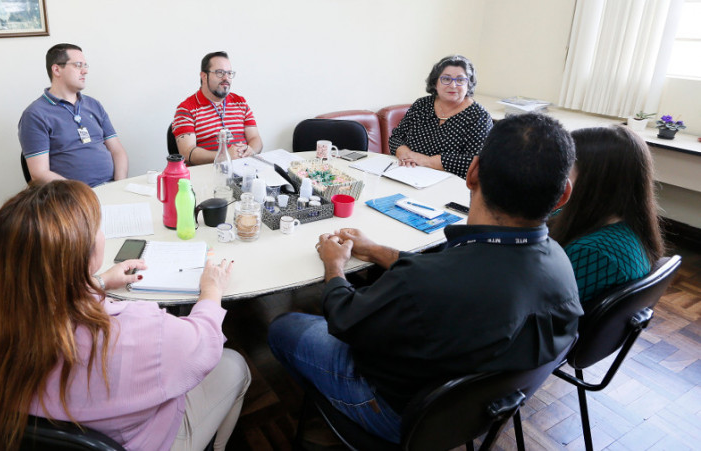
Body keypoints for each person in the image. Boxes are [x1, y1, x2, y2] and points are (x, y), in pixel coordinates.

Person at [268, 114, 583, 444]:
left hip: (398, 415)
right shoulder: (562, 266)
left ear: (472, 172)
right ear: (564, 194)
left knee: (283, 327)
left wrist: (334, 267)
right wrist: (375, 250)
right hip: (472, 414)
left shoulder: (425, 282)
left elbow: (343, 317)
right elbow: (443, 272)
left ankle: (339, 415)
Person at [0, 181, 251, 451]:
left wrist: (95, 283)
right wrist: (211, 291)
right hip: (135, 441)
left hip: (17, 441)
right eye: (97, 227)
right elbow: (204, 344)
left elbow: (45, 295)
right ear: (85, 253)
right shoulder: (136, 330)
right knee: (234, 365)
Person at [550, 125, 664, 303]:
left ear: (593, 179)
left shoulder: (592, 253)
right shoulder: (624, 223)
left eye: (564, 166)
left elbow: (540, 306)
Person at [19, 43, 129, 186]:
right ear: (57, 70)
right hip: (72, 196)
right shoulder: (35, 114)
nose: (85, 71)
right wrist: (82, 194)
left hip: (111, 187)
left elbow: (117, 151)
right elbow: (39, 173)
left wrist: (119, 185)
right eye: (78, 65)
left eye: (85, 65)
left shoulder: (93, 105)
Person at [388, 54, 493, 178]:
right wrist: (405, 153)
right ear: (435, 82)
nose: (453, 85)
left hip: (453, 182)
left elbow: (477, 162)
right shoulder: (422, 105)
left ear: (468, 84)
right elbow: (396, 137)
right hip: (408, 173)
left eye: (460, 80)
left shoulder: (479, 117)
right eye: (446, 79)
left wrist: (427, 161)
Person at [173, 51, 263, 165]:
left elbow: (255, 138)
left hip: (244, 168)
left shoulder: (240, 102)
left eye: (229, 73)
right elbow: (187, 153)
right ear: (204, 76)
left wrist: (251, 150)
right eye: (220, 73)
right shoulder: (186, 109)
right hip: (209, 172)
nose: (226, 78)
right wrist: (224, 155)